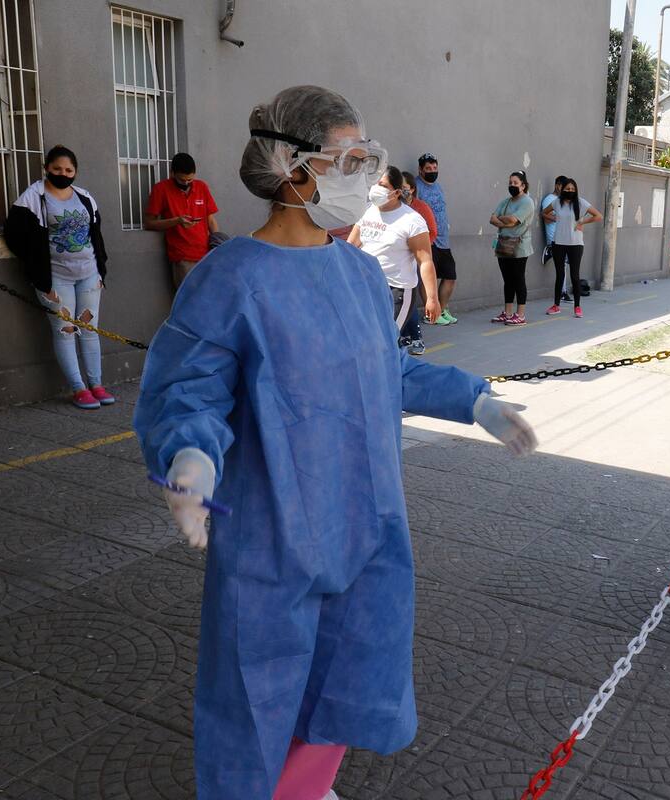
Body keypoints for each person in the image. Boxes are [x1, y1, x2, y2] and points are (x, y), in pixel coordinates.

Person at [133, 85, 538, 800]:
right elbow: (187, 390)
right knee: (256, 688)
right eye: (347, 159)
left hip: (364, 520)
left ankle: (308, 787)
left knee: (350, 672)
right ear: (293, 169)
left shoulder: (353, 270)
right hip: (273, 534)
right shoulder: (229, 280)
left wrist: (473, 400)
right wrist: (189, 458)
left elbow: (389, 367)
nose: (363, 174)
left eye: (367, 158)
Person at [4, 145, 114, 410]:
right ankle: (78, 388)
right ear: (47, 169)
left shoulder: (85, 197)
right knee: (66, 330)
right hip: (55, 279)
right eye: (56, 169)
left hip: (88, 274)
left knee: (89, 329)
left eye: (68, 170)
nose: (62, 174)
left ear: (75, 172)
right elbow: (14, 234)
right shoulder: (33, 197)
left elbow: (95, 232)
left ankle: (96, 384)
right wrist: (36, 268)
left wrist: (100, 270)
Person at [348, 167, 440, 334]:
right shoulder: (367, 211)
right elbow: (350, 247)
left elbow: (425, 261)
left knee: (387, 339)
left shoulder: (411, 220)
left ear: (397, 192)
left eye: (382, 185)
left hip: (396, 291)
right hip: (367, 285)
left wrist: (432, 299)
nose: (376, 189)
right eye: (375, 184)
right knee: (366, 338)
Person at [144, 152, 220, 289]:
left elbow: (211, 220)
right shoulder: (161, 189)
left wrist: (218, 244)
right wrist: (177, 221)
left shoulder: (201, 187)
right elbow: (149, 223)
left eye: (190, 180)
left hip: (206, 254)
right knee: (188, 301)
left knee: (208, 298)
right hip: (182, 257)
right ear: (172, 173)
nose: (186, 183)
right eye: (182, 180)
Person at [541, 177, 603, 318]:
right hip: (558, 243)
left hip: (575, 244)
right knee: (560, 275)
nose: (570, 191)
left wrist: (583, 221)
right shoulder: (557, 203)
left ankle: (577, 307)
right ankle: (556, 305)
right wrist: (555, 218)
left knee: (575, 276)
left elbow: (598, 216)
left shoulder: (581, 203)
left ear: (576, 190)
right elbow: (544, 213)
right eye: (567, 189)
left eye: (572, 189)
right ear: (562, 189)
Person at [395, 170, 438, 355]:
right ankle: (402, 338)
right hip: (390, 272)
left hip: (409, 267)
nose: (401, 191)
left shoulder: (419, 210)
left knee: (408, 302)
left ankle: (417, 338)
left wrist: (416, 247)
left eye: (404, 187)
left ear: (412, 189)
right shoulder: (388, 209)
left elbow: (432, 234)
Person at [415, 154, 459, 325]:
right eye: (428, 169)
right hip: (427, 240)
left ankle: (442, 308)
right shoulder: (417, 187)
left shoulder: (439, 187)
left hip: (443, 240)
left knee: (450, 276)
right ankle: (430, 314)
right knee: (428, 278)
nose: (432, 171)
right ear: (420, 170)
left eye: (434, 168)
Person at [489, 170, 534, 325]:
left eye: (515, 183)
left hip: (520, 247)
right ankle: (507, 313)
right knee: (507, 280)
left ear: (523, 185)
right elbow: (492, 219)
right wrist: (505, 221)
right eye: (510, 183)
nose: (512, 185)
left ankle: (520, 314)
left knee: (518, 279)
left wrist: (502, 220)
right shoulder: (506, 201)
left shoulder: (527, 202)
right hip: (503, 245)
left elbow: (514, 220)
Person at [541, 175, 564, 266]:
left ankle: (551, 252)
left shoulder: (560, 200)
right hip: (554, 239)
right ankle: (550, 250)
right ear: (557, 186)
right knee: (562, 268)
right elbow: (547, 220)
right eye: (563, 187)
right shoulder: (549, 199)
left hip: (562, 239)